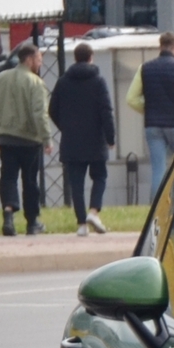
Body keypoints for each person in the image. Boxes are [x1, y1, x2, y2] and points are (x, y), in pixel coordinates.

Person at [0, 40, 55, 236]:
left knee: (8, 177)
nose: (40, 64)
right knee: (30, 181)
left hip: (5, 138)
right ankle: (32, 222)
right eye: (38, 59)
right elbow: (39, 113)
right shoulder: (36, 83)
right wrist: (46, 139)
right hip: (29, 139)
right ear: (29, 60)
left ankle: (9, 215)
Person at [49, 41, 116, 235]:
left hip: (72, 141)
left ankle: (81, 225)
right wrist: (110, 137)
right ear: (91, 57)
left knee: (76, 183)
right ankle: (94, 211)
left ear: (75, 58)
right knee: (100, 176)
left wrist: (66, 127)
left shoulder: (63, 81)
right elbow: (106, 111)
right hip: (96, 140)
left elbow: (52, 109)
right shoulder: (99, 81)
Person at [128, 32, 174, 179]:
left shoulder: (145, 68)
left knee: (158, 169)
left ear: (160, 47)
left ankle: (156, 201)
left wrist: (148, 109)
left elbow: (131, 99)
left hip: (152, 124)